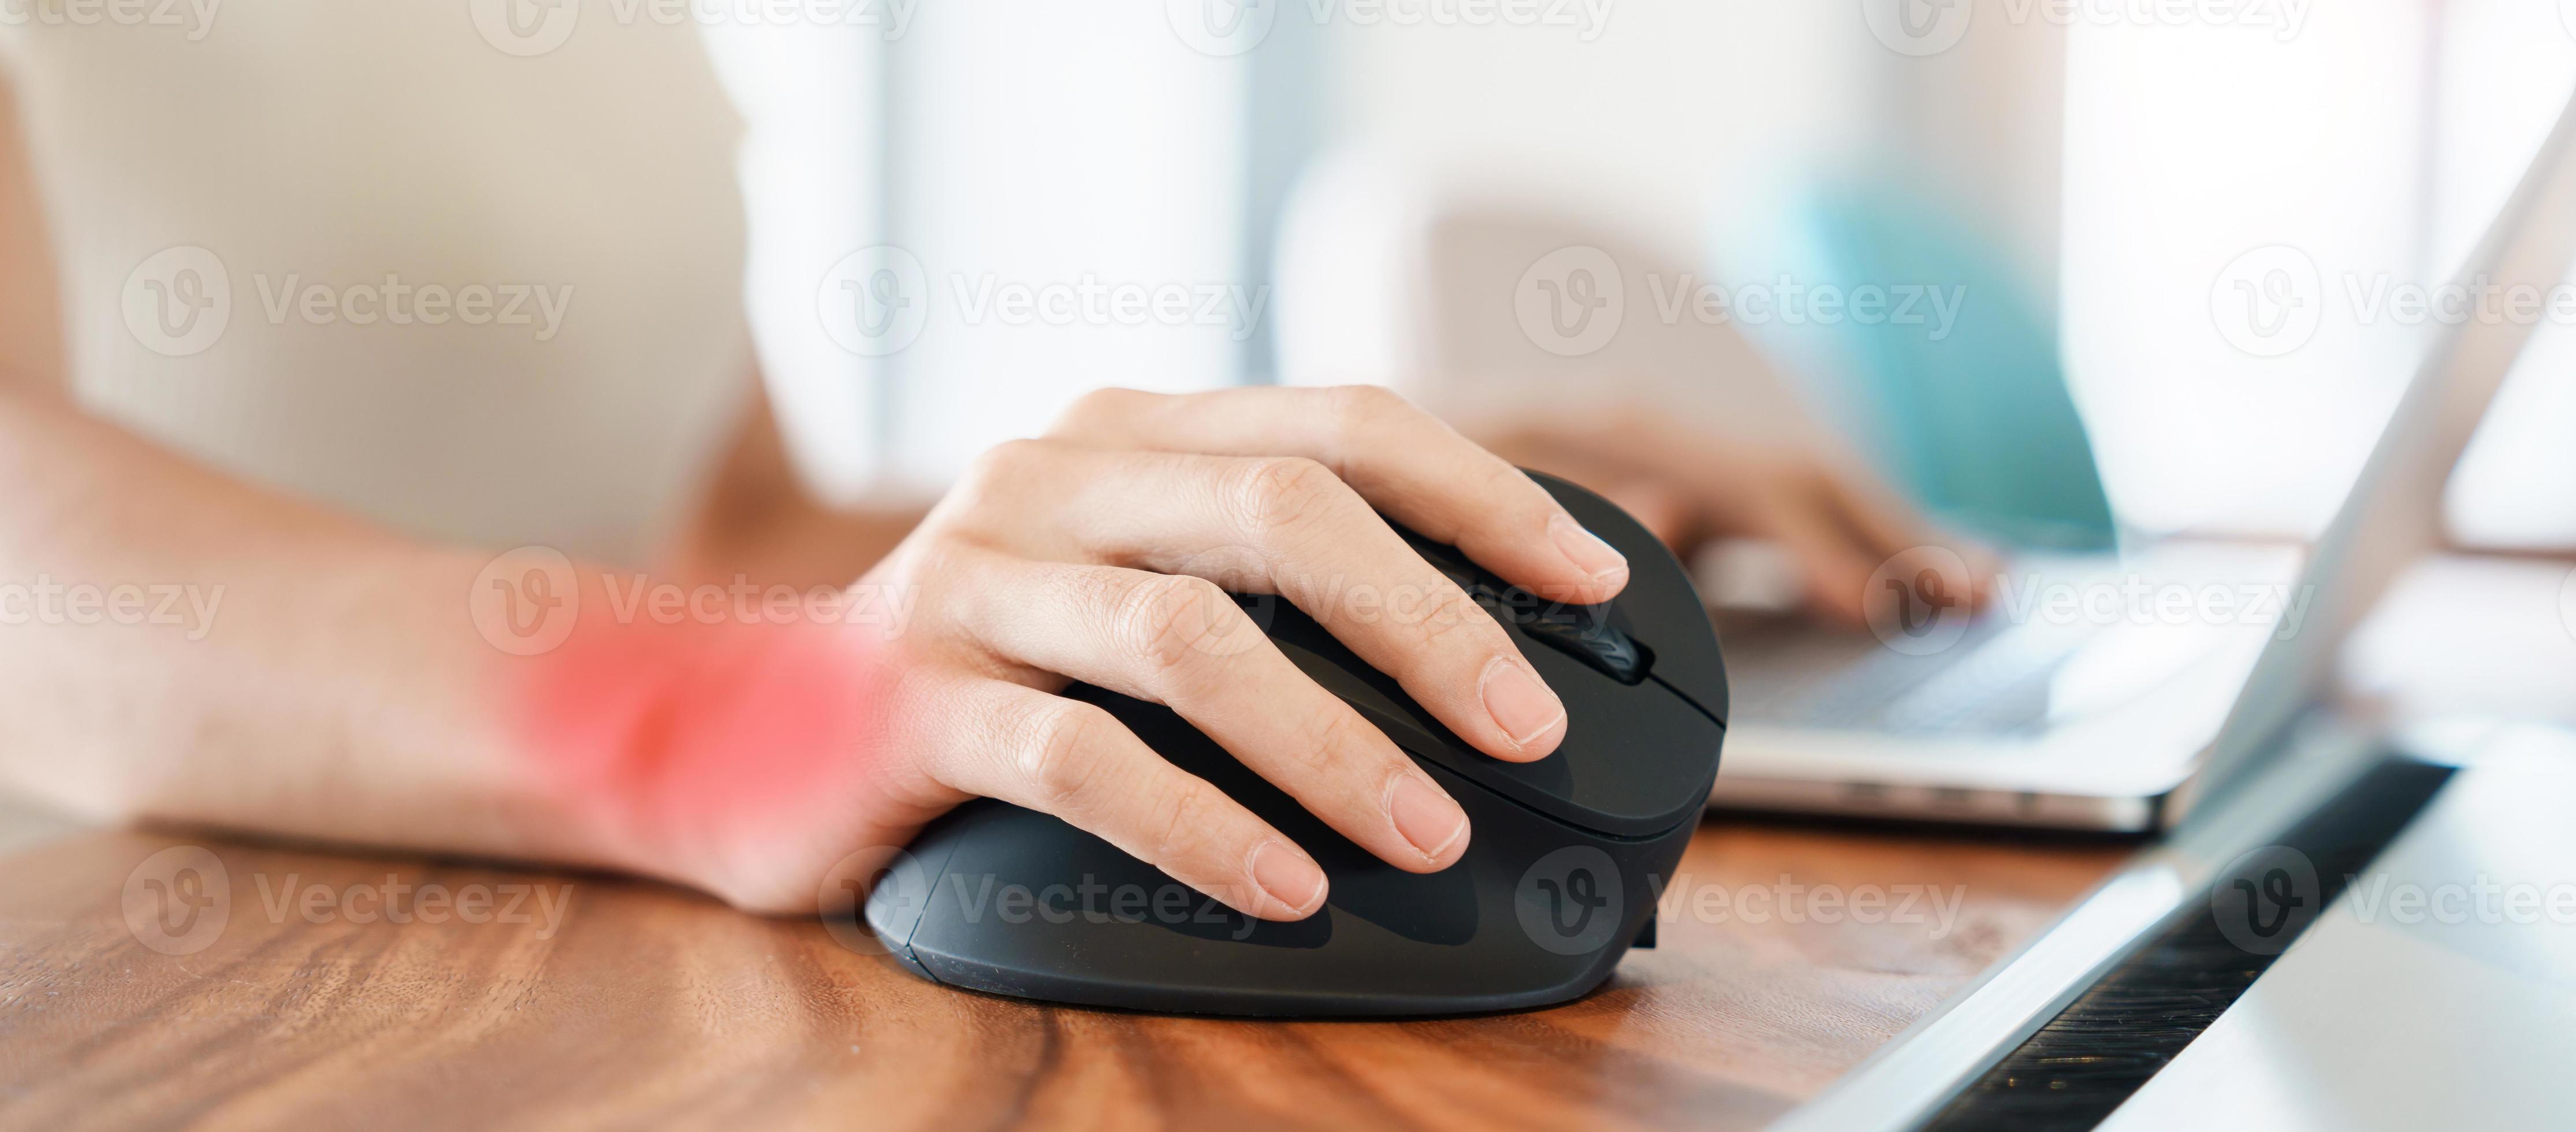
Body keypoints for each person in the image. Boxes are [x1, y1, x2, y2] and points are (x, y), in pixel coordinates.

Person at [0, 10, 1970, 922]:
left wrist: (1255, 530)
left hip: (597, 970)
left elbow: (729, 523)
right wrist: (709, 725)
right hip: (153, 983)